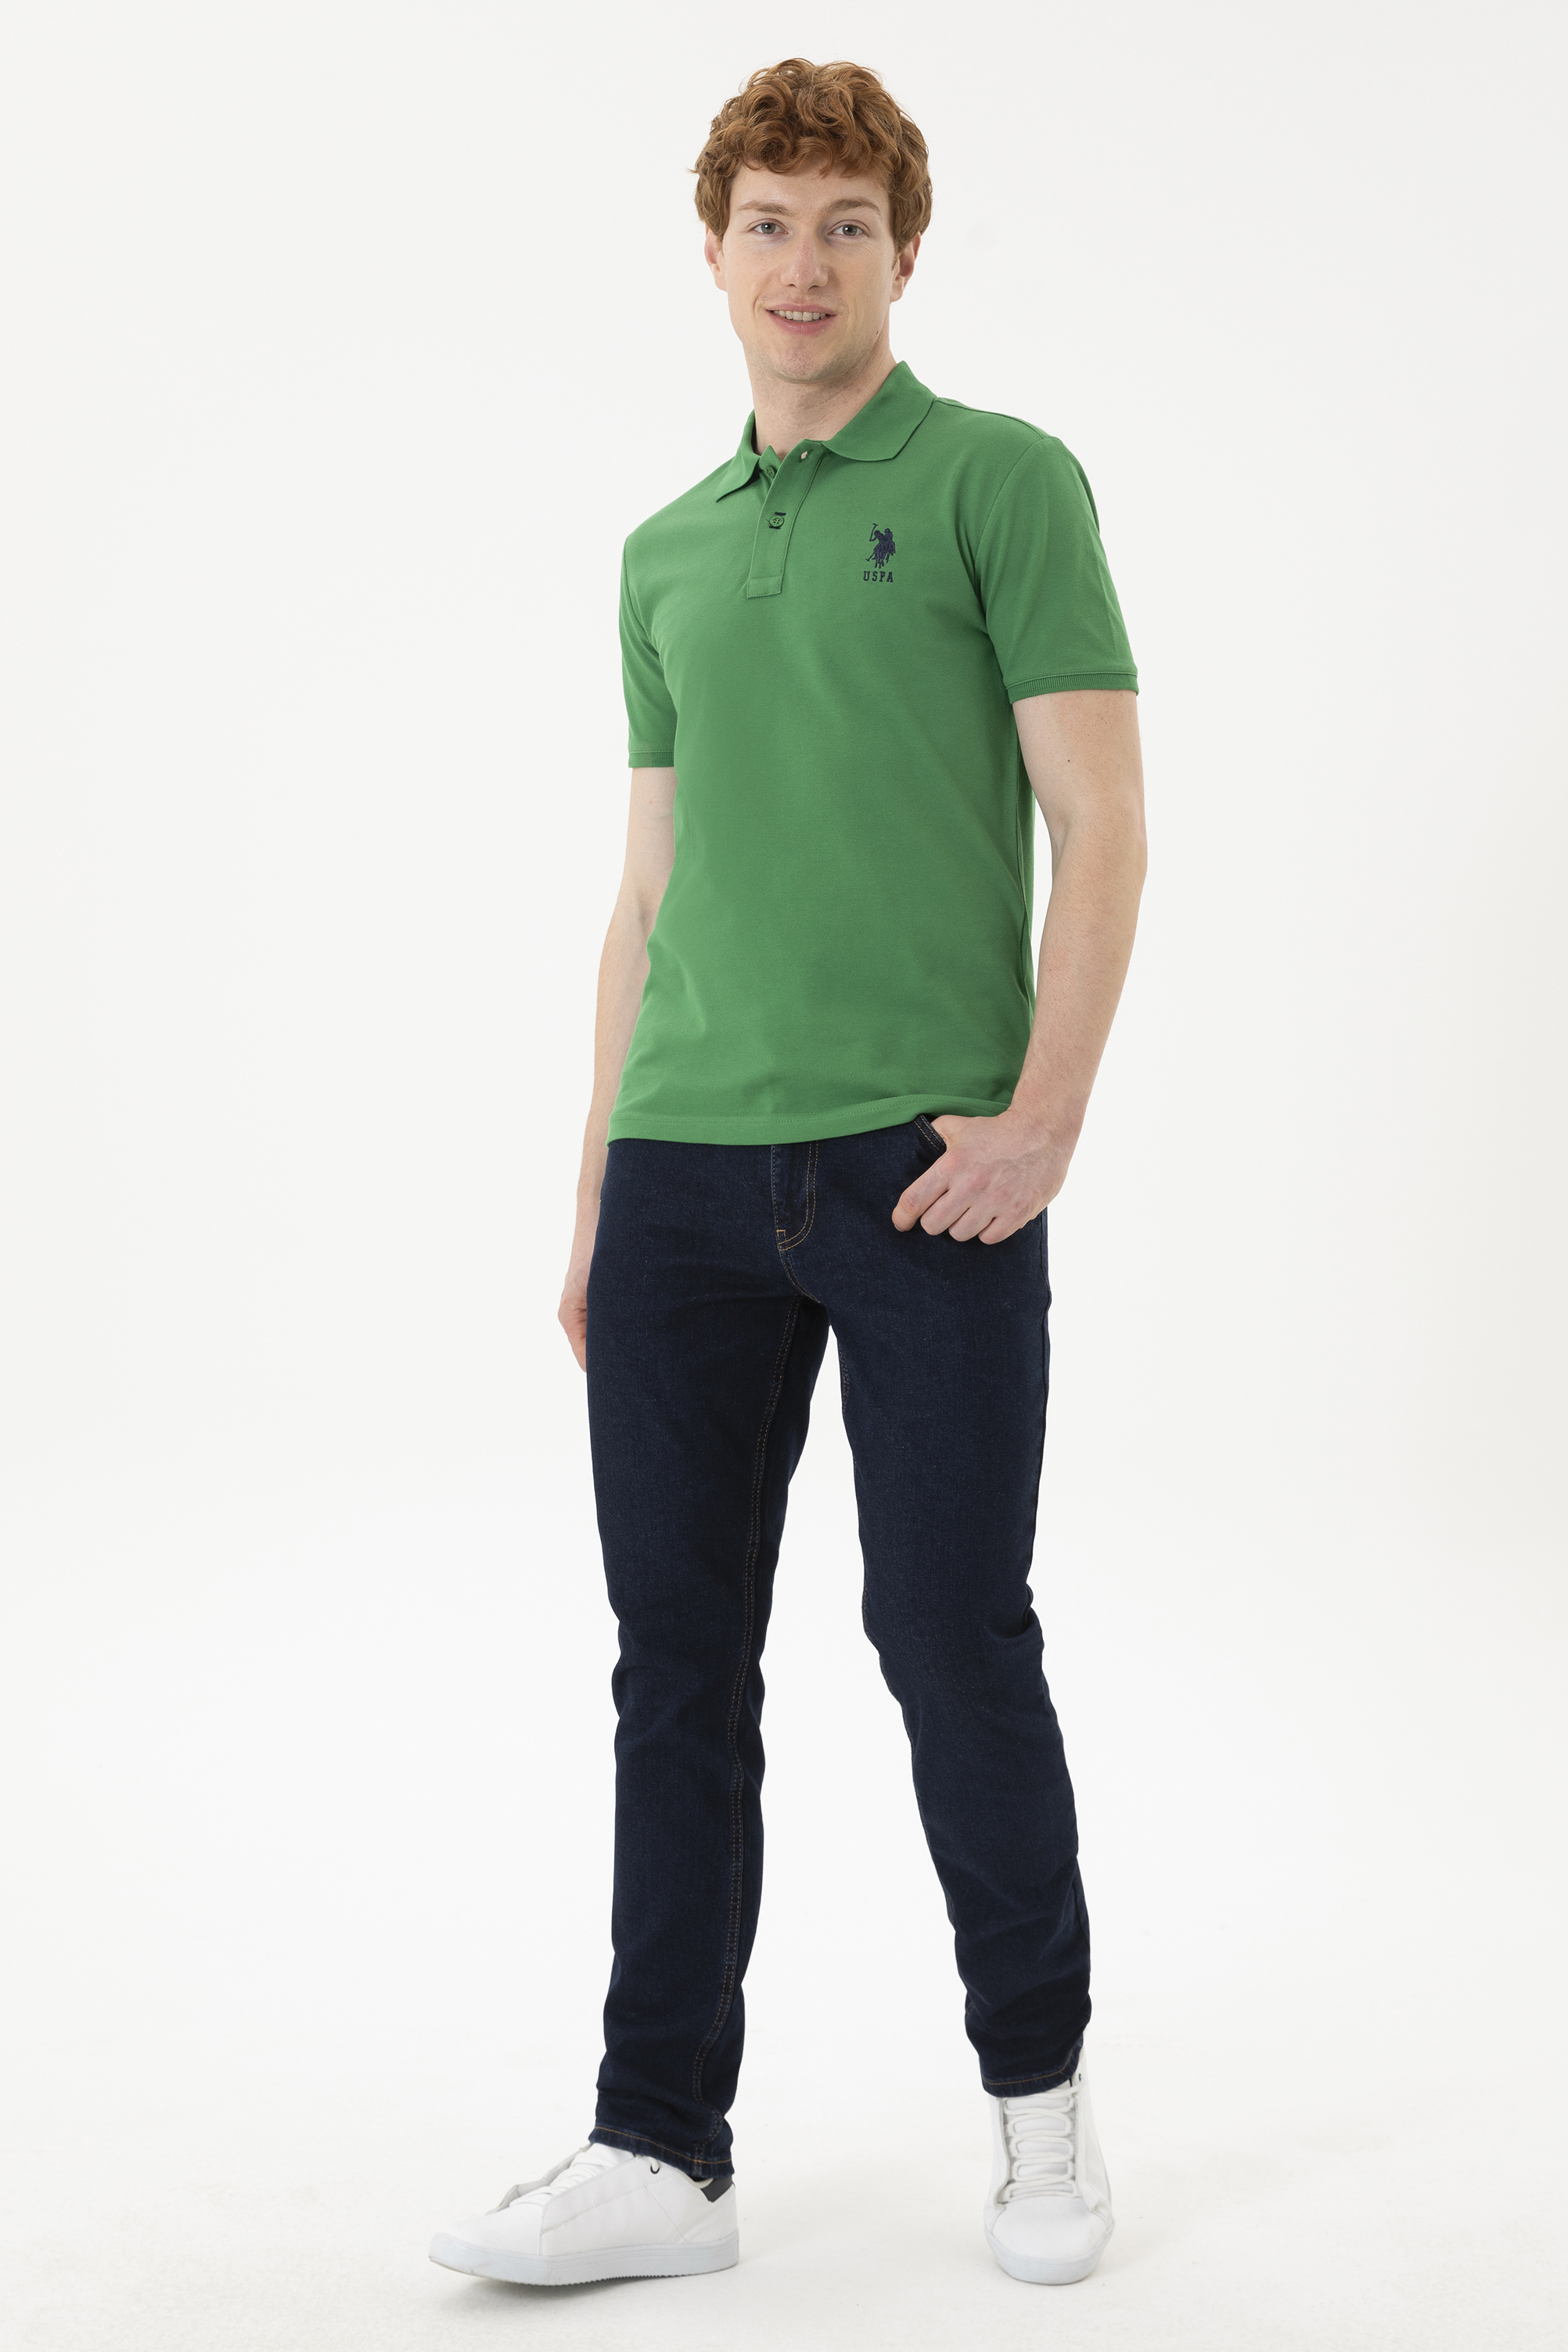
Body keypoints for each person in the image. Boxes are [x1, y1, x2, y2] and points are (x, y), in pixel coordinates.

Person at [430, 56, 1145, 2293]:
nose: (803, 264)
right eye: (767, 222)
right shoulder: (666, 550)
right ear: (715, 248)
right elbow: (645, 890)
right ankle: (661, 2148)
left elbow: (1103, 822)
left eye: (845, 223)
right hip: (681, 1172)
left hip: (922, 1168)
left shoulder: (1000, 481)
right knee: (674, 1665)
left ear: (903, 249)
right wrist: (593, 1190)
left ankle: (1038, 2104)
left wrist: (1046, 1116)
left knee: (949, 1635)